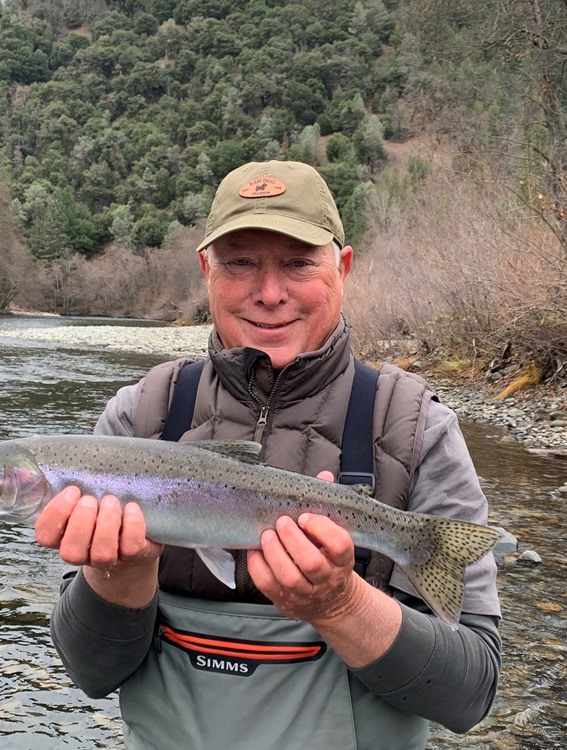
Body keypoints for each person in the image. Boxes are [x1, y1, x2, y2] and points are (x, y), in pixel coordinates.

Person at [34, 160, 501, 749]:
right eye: (241, 262)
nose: (270, 293)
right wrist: (118, 577)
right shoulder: (140, 416)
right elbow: (91, 676)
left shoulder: (414, 426)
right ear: (207, 271)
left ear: (343, 268)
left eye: (299, 263)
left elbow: (469, 695)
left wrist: (341, 603)